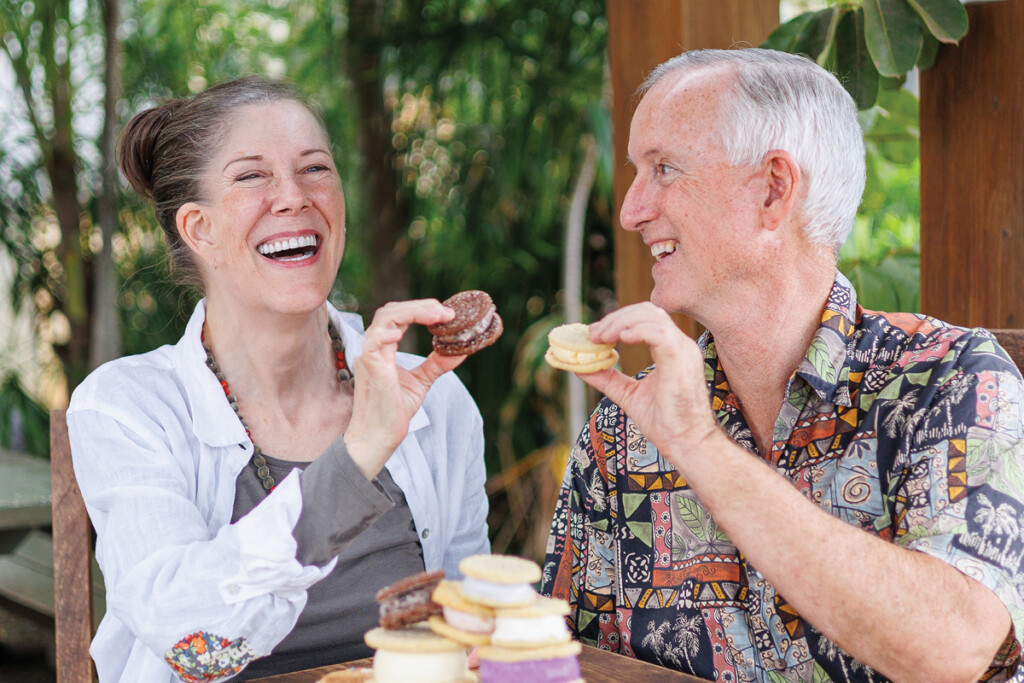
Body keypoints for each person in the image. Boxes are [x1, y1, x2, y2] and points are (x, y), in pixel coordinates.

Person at [541, 48, 1024, 682]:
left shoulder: (951, 382)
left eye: (664, 169)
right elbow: (555, 661)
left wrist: (699, 447)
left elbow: (954, 648)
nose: (631, 211)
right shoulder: (620, 434)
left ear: (774, 189)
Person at [67, 76, 489, 682]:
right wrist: (356, 458)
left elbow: (470, 622)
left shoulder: (435, 399)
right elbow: (194, 650)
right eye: (251, 176)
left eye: (315, 168)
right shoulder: (127, 407)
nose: (294, 197)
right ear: (199, 229)